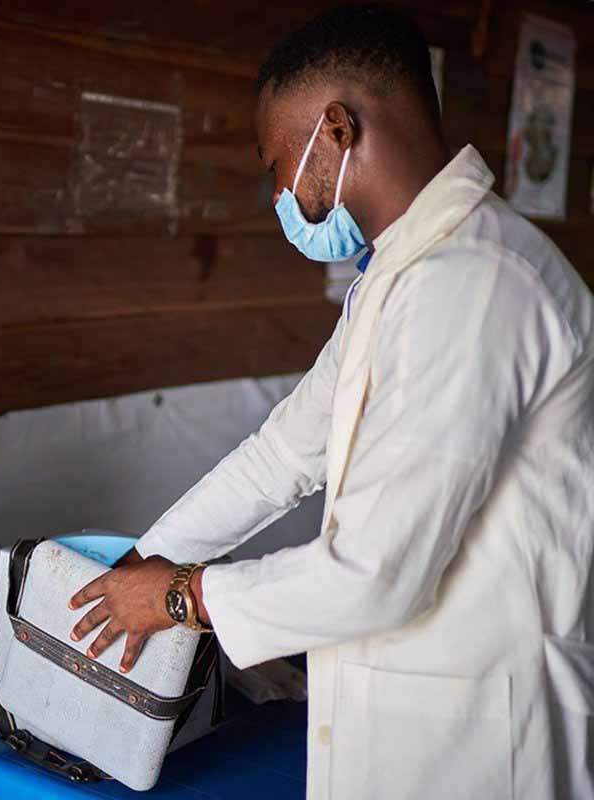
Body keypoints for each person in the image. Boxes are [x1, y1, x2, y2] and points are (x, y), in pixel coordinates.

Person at [68, 7, 594, 798]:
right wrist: (143, 562)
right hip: (415, 713)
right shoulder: (402, 278)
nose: (277, 192)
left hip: (488, 739)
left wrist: (182, 597)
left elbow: (378, 575)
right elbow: (284, 454)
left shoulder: (476, 285)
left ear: (337, 131)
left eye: (276, 163)